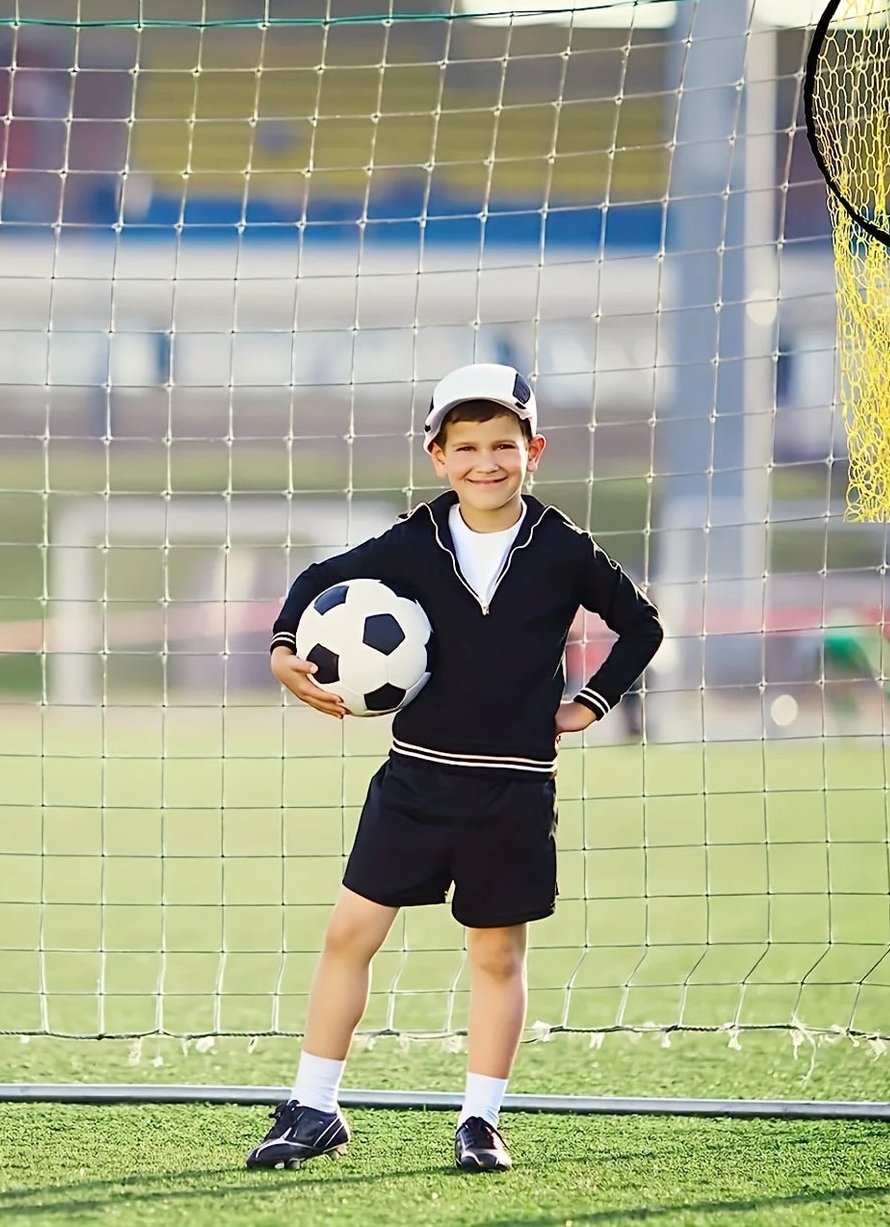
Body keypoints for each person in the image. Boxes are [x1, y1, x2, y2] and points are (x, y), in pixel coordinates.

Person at [247, 363, 663, 1173]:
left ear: (532, 449)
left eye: (502, 444)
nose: (485, 462)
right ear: (437, 454)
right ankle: (313, 1103)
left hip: (512, 788)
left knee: (495, 955)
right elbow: (313, 581)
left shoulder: (563, 548)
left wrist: (591, 703)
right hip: (415, 781)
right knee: (348, 934)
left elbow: (640, 626)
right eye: (465, 445)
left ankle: (480, 1119)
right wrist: (283, 650)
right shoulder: (412, 541)